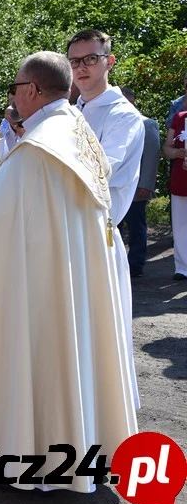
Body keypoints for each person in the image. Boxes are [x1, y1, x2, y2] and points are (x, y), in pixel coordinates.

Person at [0, 51, 137, 494]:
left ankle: (33, 459)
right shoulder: (76, 130)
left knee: (34, 357)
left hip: (37, 285)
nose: (11, 96)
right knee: (73, 354)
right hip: (70, 276)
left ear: (31, 90)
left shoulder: (39, 149)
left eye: (14, 88)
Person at [68, 29, 144, 410]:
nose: (81, 68)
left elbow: (99, 170)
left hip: (97, 237)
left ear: (109, 61)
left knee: (97, 339)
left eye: (90, 59)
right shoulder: (73, 111)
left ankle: (102, 425)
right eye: (75, 61)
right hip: (66, 236)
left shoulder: (123, 116)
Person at [119, 87, 161, 278]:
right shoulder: (116, 123)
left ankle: (136, 264)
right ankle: (118, 263)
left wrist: (146, 185)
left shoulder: (147, 124)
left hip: (137, 188)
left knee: (136, 227)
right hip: (118, 187)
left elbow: (151, 157)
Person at [164, 109, 187, 281]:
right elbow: (167, 147)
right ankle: (182, 267)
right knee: (180, 226)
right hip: (181, 179)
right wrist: (175, 153)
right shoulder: (180, 117)